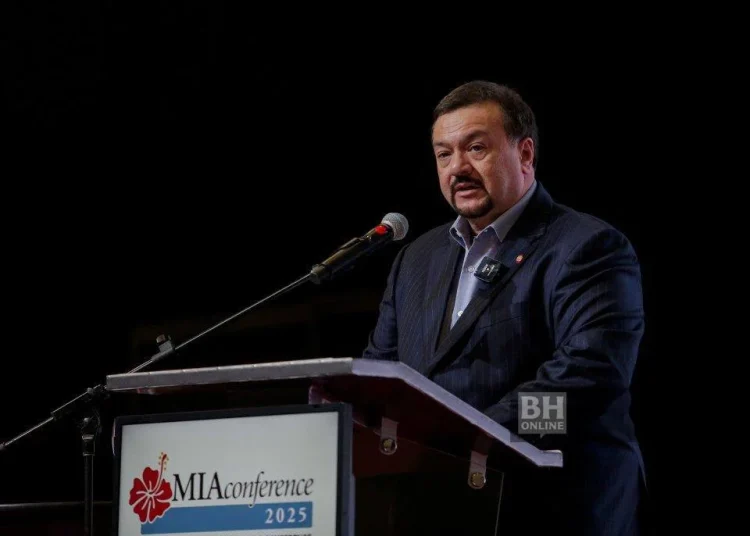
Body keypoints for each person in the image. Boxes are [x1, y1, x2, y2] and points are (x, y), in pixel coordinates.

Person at [361, 80, 648, 535]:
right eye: (443, 154)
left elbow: (589, 385)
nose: (458, 168)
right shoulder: (415, 259)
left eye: (476, 148)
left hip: (551, 508)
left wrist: (476, 431)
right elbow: (382, 372)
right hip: (437, 505)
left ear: (525, 154)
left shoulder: (587, 247)